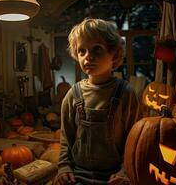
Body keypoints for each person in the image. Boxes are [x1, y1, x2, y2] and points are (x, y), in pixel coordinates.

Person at [55, 18, 141, 185]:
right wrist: (64, 167)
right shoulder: (73, 95)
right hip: (77, 173)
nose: (88, 57)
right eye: (82, 51)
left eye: (97, 50)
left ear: (114, 54)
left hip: (115, 175)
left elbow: (135, 140)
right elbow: (66, 137)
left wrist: (125, 170)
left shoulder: (126, 93)